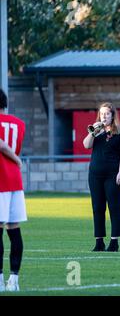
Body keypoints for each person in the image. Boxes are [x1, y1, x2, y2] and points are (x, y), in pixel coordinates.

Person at [83, 102, 120, 252]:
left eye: (107, 114)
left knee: (114, 207)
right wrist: (92, 132)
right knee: (97, 208)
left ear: (112, 115)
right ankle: (99, 241)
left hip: (113, 175)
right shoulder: (97, 131)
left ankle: (114, 241)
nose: (104, 116)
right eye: (102, 114)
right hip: (96, 175)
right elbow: (86, 145)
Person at [0, 89, 26, 292]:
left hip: (1, 180)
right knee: (14, 229)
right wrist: (16, 160)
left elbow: (2, 145)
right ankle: (14, 280)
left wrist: (16, 159)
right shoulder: (19, 123)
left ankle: (0, 279)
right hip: (14, 180)